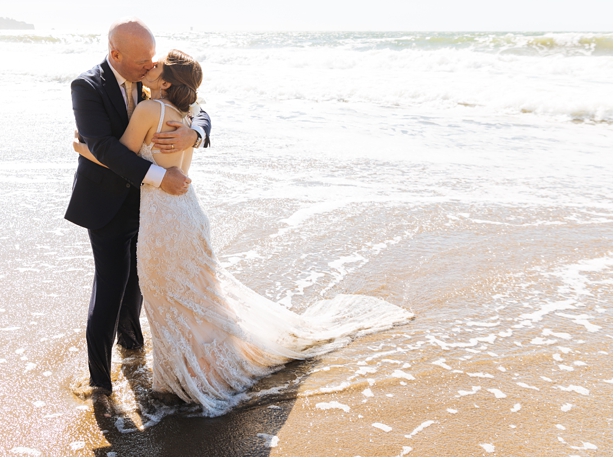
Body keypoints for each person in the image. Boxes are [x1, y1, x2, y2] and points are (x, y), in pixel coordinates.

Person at [73, 49, 414, 416]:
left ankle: (180, 381)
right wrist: (193, 132)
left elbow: (119, 155)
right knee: (198, 296)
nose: (149, 64)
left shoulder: (149, 110)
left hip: (163, 220)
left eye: (156, 65)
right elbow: (195, 118)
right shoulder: (182, 110)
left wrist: (81, 145)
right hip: (187, 212)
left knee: (168, 298)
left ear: (168, 82)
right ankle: (205, 369)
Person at [65, 19, 212, 395]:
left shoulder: (156, 92)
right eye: (142, 61)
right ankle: (100, 381)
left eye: (153, 59)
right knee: (111, 287)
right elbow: (108, 148)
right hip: (108, 203)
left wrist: (195, 132)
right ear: (116, 55)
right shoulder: (87, 86)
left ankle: (132, 348)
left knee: (139, 285)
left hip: (151, 206)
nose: (149, 66)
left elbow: (199, 105)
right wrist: (162, 177)